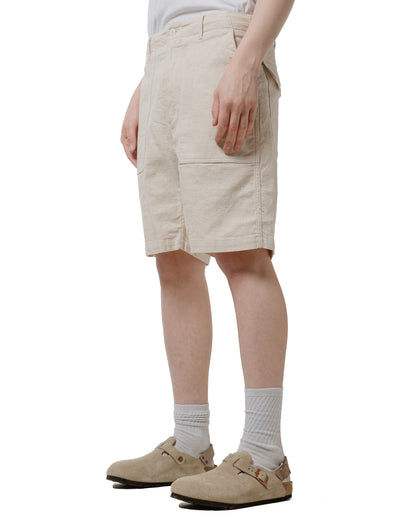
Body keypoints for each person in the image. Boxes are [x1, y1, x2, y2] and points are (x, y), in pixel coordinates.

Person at [107, 0, 296, 510]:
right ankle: (190, 443)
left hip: (227, 46)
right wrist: (147, 84)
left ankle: (264, 456)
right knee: (173, 257)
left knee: (242, 251)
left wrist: (246, 60)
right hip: (163, 57)